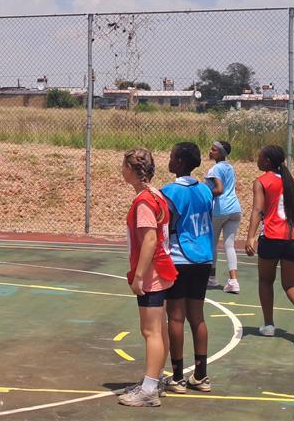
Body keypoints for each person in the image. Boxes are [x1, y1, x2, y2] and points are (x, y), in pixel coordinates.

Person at [118, 148, 178, 408]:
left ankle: (149, 390)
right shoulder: (156, 194)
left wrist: (139, 276)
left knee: (150, 331)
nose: (121, 170)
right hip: (162, 270)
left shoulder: (144, 201)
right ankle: (155, 380)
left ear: (132, 170)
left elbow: (150, 240)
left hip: (152, 273)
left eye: (124, 166)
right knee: (159, 329)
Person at [161, 142, 214, 394]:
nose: (169, 160)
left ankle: (177, 377)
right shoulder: (205, 190)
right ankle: (201, 376)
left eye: (172, 157)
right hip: (203, 258)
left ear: (180, 162)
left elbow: (166, 225)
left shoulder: (169, 192)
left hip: (179, 258)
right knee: (198, 317)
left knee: (176, 317)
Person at [245, 145, 294, 341]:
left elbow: (258, 210)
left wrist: (250, 236)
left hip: (272, 237)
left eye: (259, 157)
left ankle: (268, 325)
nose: (257, 160)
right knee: (292, 283)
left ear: (267, 161)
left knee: (266, 281)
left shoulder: (261, 181)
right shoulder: (290, 181)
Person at [204, 141, 241, 293]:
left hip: (220, 210)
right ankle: (233, 281)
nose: (210, 151)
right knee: (229, 246)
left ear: (220, 153)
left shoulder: (215, 169)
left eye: (214, 149)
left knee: (211, 244)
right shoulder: (230, 167)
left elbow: (219, 190)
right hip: (235, 209)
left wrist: (203, 193)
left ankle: (212, 278)